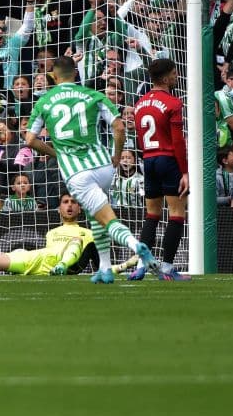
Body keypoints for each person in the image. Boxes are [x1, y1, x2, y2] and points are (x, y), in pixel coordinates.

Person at [24, 55, 164, 284]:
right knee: (94, 217)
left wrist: (56, 153)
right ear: (76, 74)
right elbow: (119, 126)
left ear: (54, 76)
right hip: (103, 166)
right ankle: (106, 269)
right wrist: (117, 156)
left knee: (107, 219)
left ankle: (137, 246)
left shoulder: (45, 101)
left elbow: (30, 139)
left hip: (78, 173)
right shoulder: (94, 95)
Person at [130, 59, 189, 280]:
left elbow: (139, 138)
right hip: (168, 159)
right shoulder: (173, 103)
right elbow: (178, 141)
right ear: (164, 78)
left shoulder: (139, 103)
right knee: (176, 213)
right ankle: (166, 268)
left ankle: (143, 266)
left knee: (152, 214)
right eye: (174, 73)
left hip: (149, 160)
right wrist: (185, 172)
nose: (176, 76)